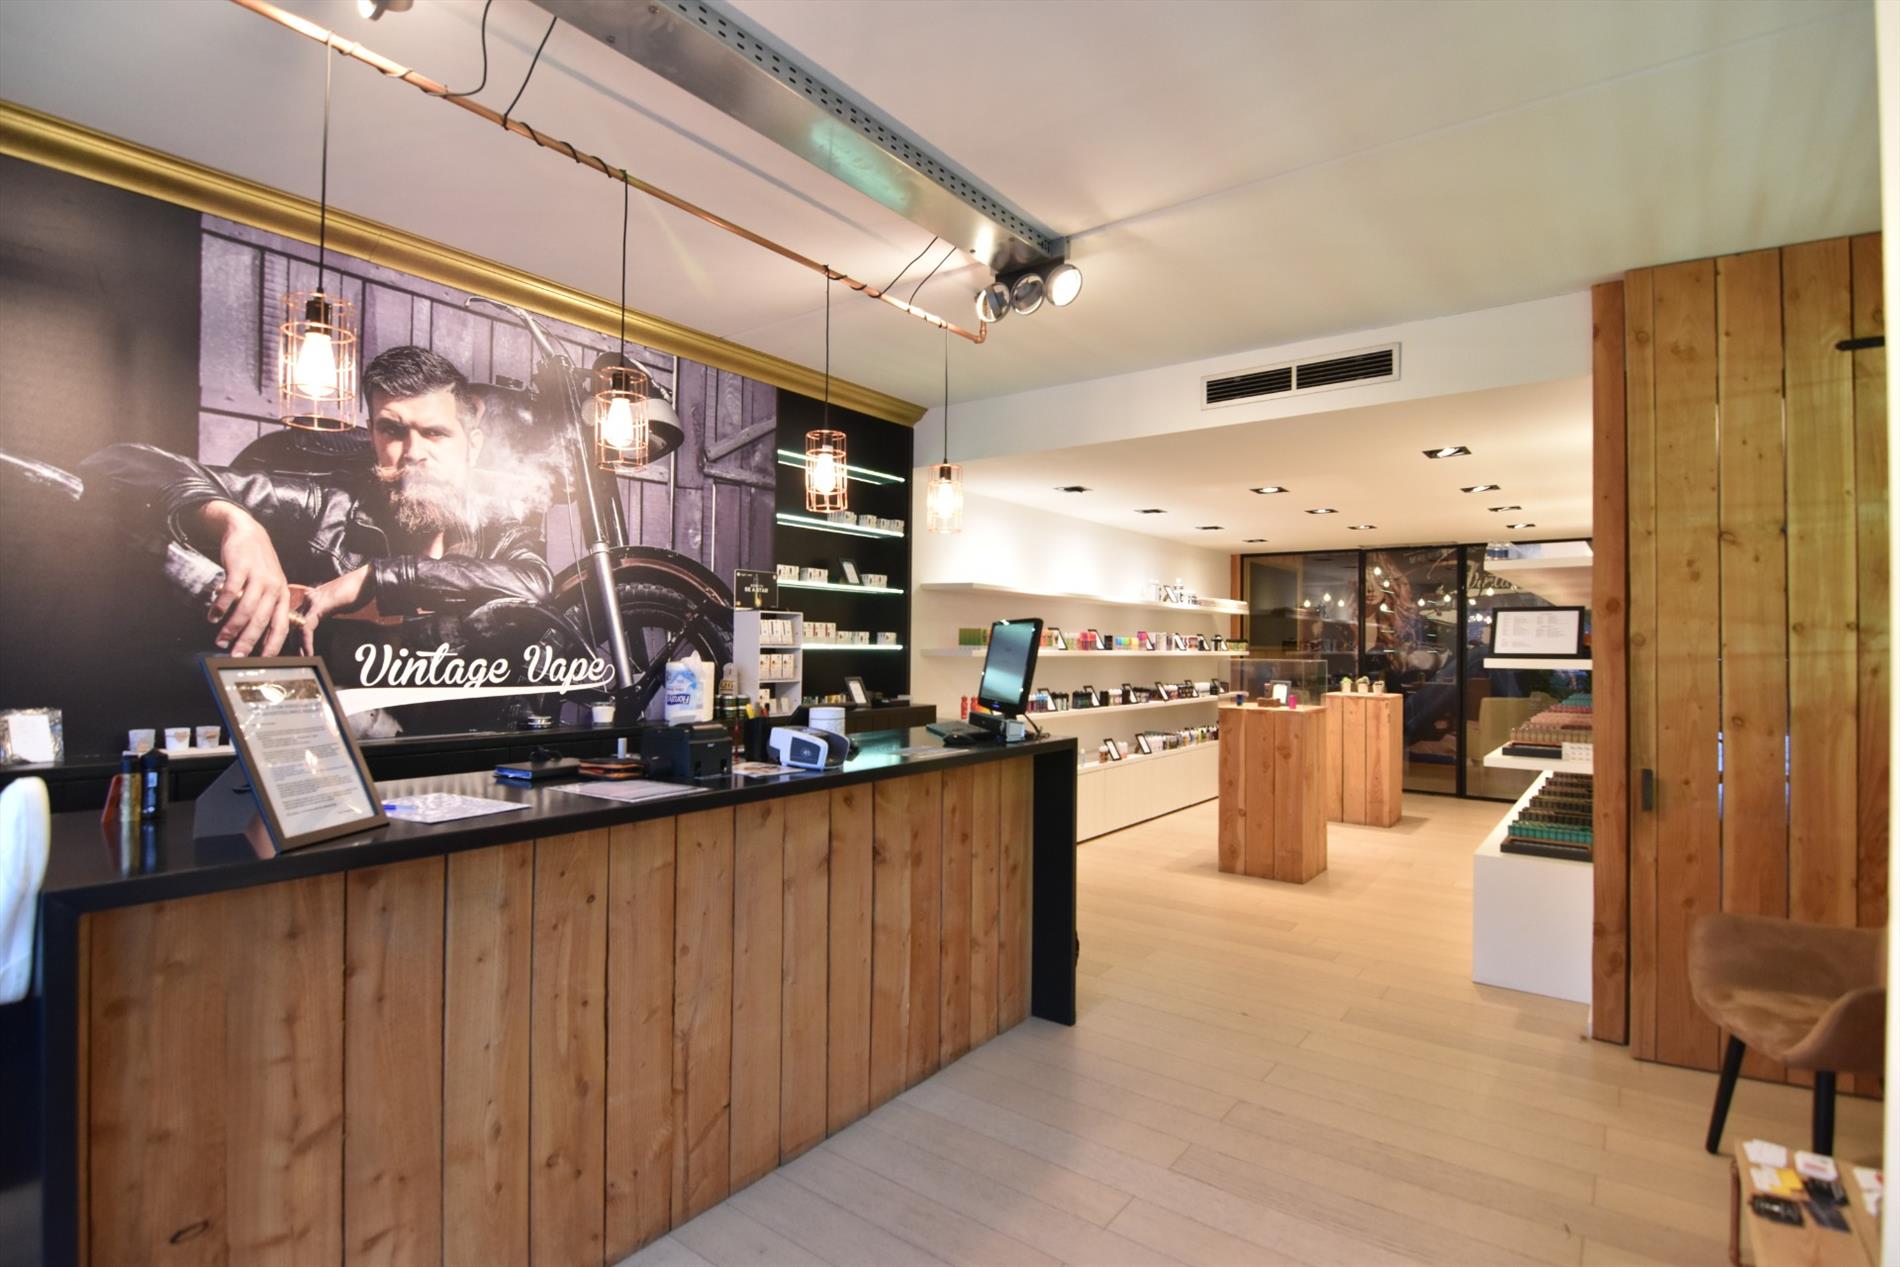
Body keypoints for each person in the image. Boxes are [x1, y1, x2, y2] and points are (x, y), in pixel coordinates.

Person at [81, 345, 552, 657]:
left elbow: (536, 586)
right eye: (392, 430)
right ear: (372, 435)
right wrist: (235, 522)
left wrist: (376, 578)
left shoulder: (499, 526)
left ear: (472, 445)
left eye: (435, 433)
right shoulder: (328, 504)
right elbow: (117, 461)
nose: (412, 452)